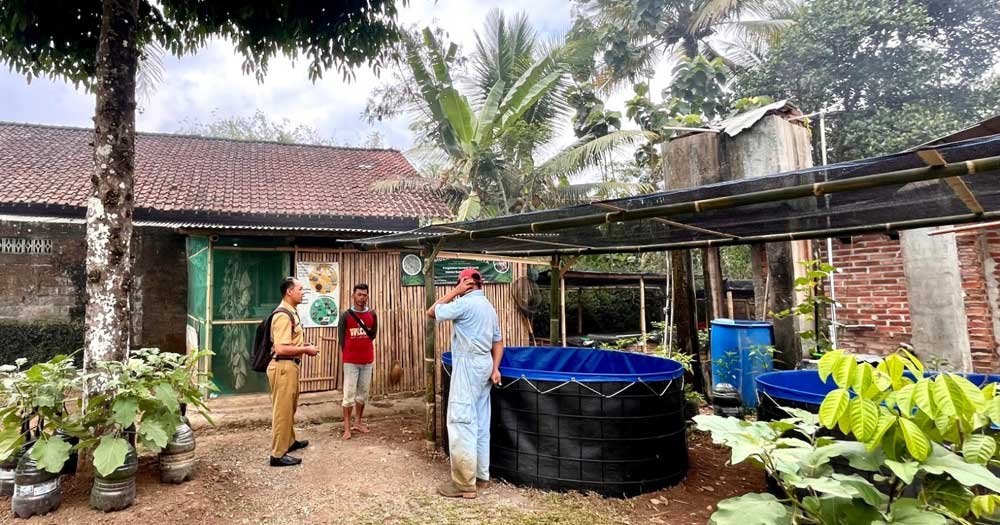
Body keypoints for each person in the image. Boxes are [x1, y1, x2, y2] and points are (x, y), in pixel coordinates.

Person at [427, 268, 503, 499]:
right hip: (485, 365)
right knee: (480, 422)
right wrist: (495, 368)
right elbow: (498, 342)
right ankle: (481, 476)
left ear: (466, 283)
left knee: (461, 421)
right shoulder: (489, 307)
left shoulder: (465, 303)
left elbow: (432, 311)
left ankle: (464, 484)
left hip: (468, 365)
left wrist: (455, 291)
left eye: (460, 283)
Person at [268, 277, 319, 467]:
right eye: (300, 289)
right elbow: (280, 348)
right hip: (283, 366)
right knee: (282, 411)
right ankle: (277, 455)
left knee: (290, 407)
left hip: (290, 366)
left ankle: (288, 442)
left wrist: (302, 346)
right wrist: (305, 349)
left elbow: (289, 342)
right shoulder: (283, 315)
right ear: (289, 292)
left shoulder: (291, 312)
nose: (302, 292)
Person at [338, 283, 378, 440]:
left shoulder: (372, 314)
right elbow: (342, 339)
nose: (362, 298)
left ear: (368, 296)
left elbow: (373, 335)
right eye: (359, 294)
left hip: (367, 360)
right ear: (353, 295)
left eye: (365, 295)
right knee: (348, 395)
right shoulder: (345, 316)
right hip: (350, 361)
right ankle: (347, 428)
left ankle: (358, 422)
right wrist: (349, 354)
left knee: (363, 395)